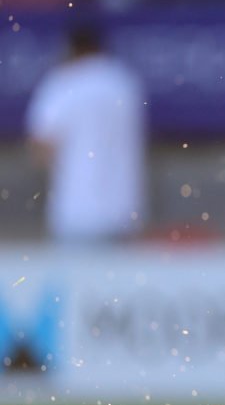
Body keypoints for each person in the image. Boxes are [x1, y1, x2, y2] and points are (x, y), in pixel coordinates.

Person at [25, 20, 148, 243]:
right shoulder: (124, 82)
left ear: (71, 49)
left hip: (77, 211)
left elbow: (41, 149)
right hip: (124, 211)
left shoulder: (63, 82)